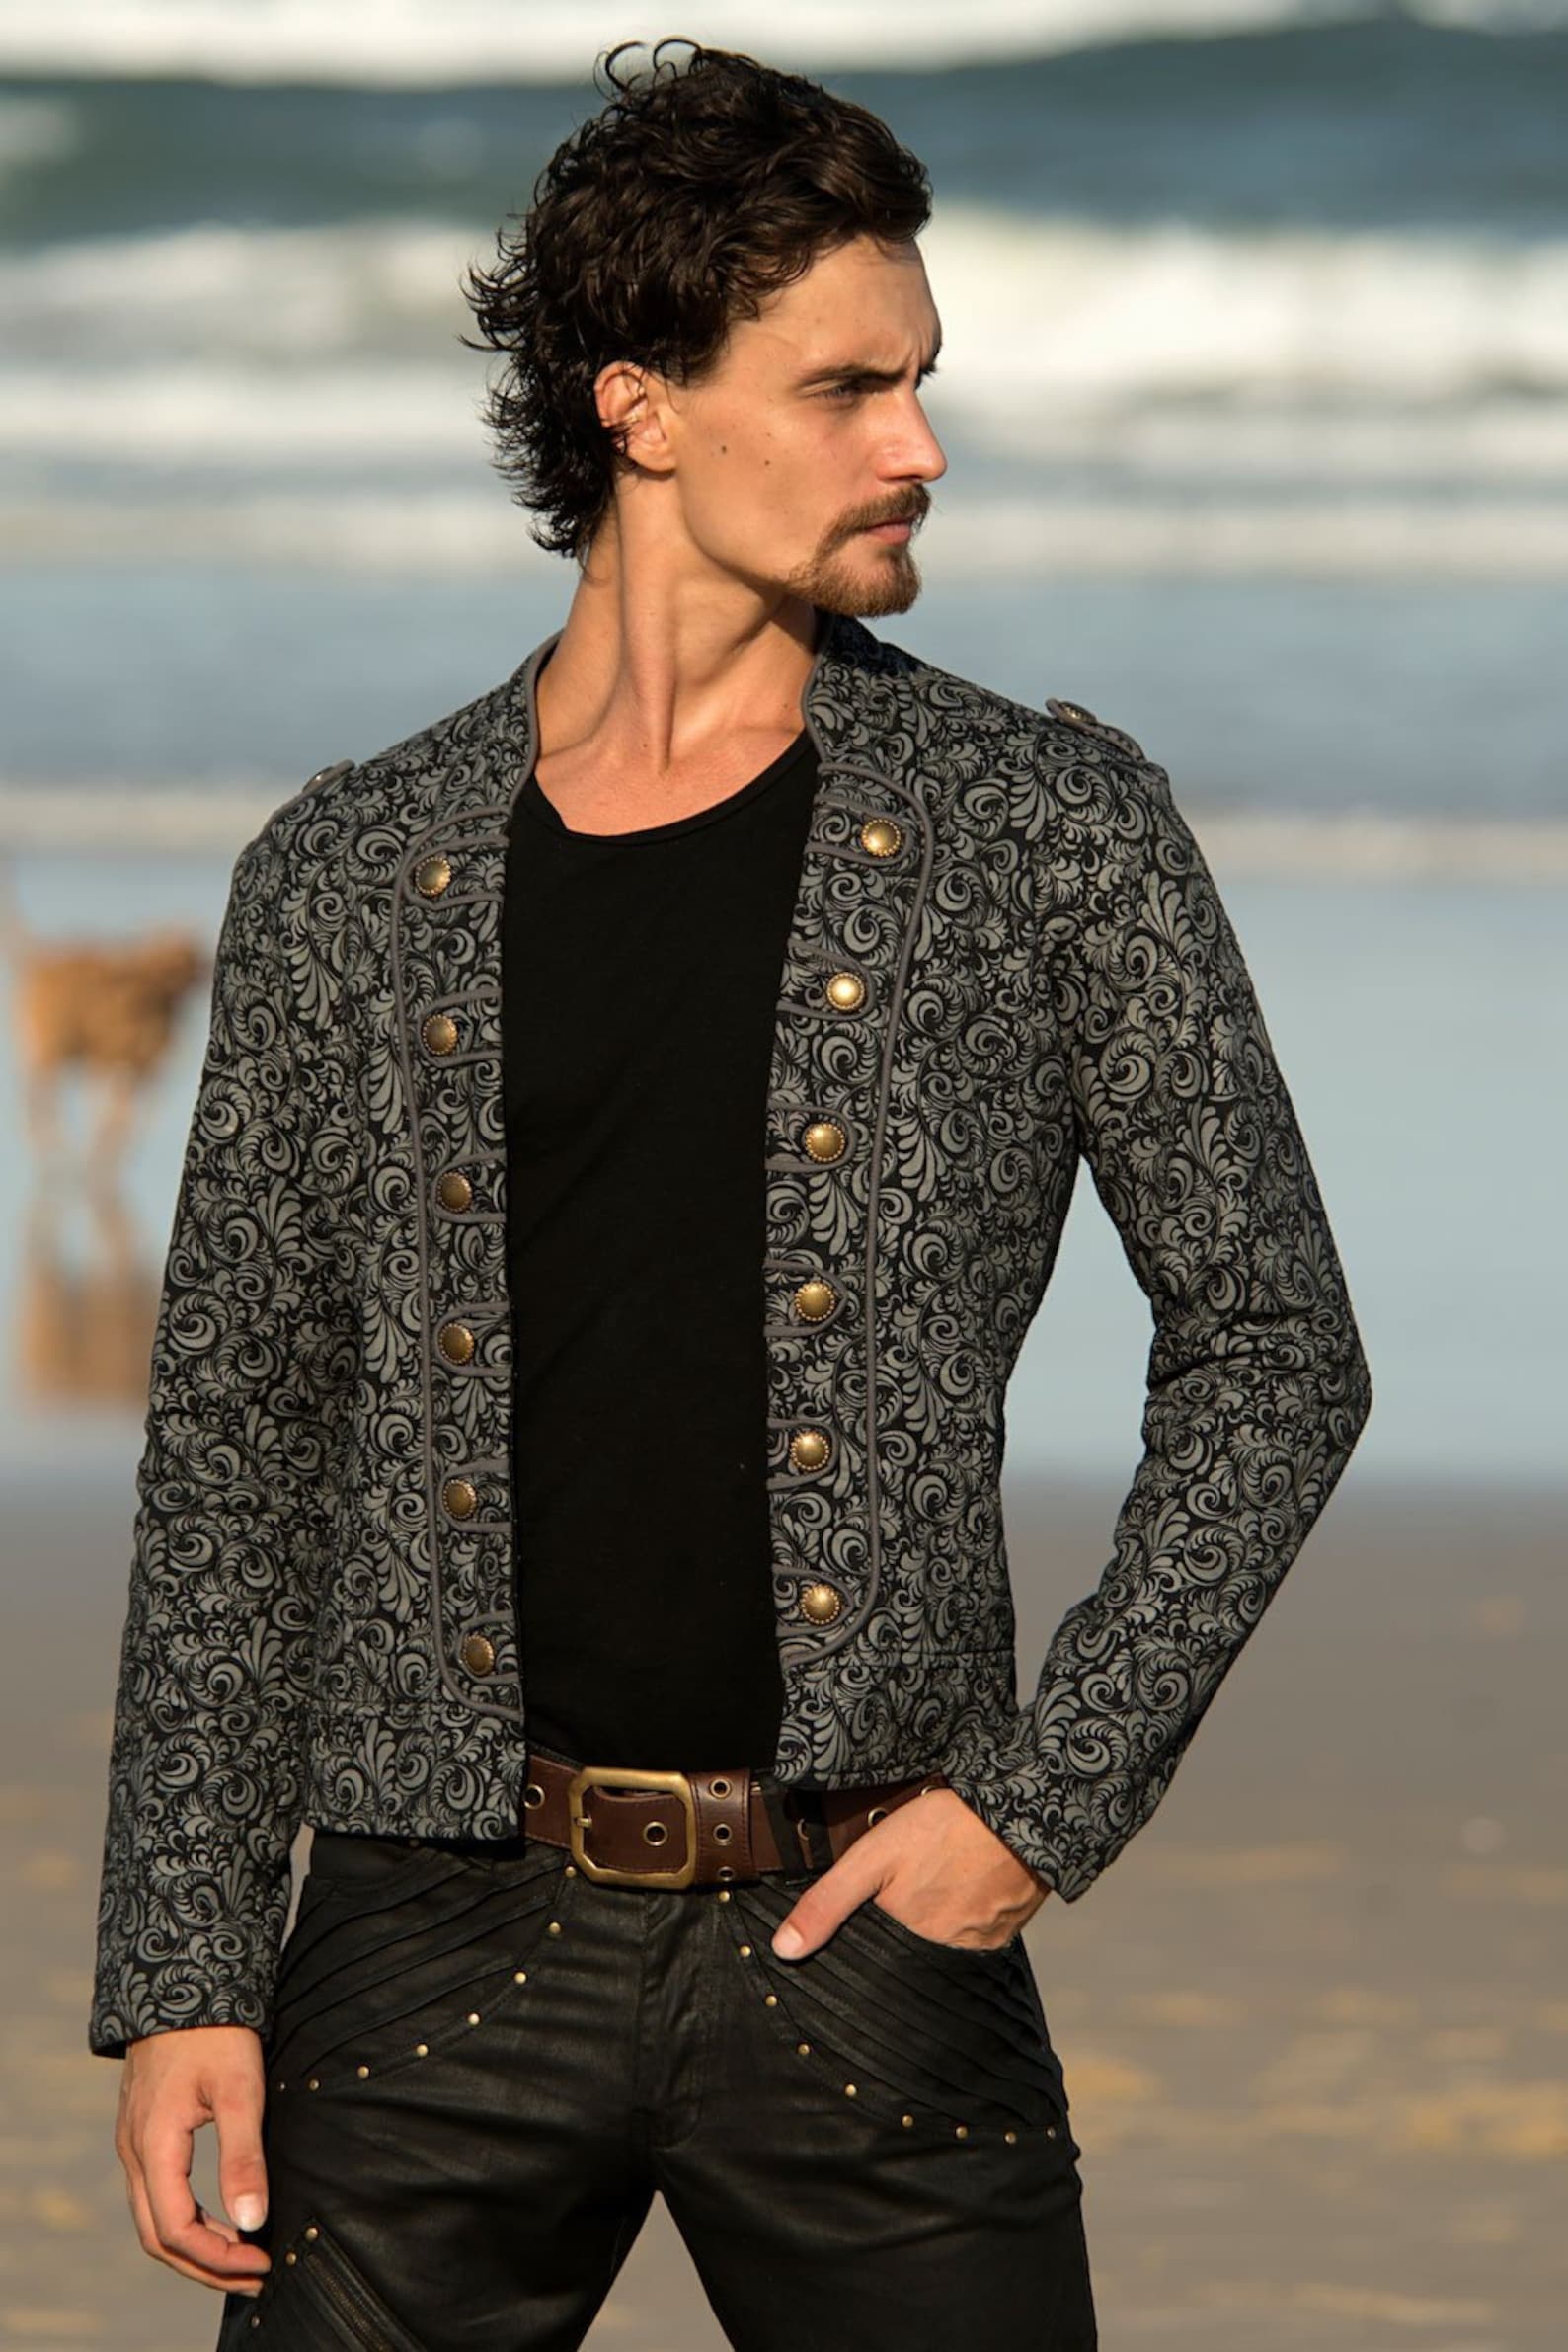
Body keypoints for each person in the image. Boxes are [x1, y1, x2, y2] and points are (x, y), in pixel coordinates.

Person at [89, 38, 1372, 2352]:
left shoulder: (1044, 834)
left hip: (868, 1945)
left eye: (921, 378)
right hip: (426, 1949)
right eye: (846, 387)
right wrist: (186, 1966)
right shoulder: (347, 874)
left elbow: (1275, 1348)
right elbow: (240, 1439)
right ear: (641, 408)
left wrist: (1032, 1811)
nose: (918, 444)